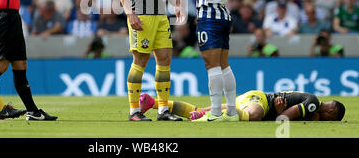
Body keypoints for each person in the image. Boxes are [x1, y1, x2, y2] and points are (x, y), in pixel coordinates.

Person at [172, 0, 238, 122]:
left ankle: (216, 113)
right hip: (222, 13)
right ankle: (232, 112)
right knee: (224, 65)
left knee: (212, 65)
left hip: (210, 16)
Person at [139, 90, 345, 122]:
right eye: (329, 118)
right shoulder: (314, 104)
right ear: (330, 111)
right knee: (253, 116)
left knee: (202, 107)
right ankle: (203, 118)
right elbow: (284, 117)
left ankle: (153, 103)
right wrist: (281, 114)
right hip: (260, 101)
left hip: (251, 98)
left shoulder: (313, 102)